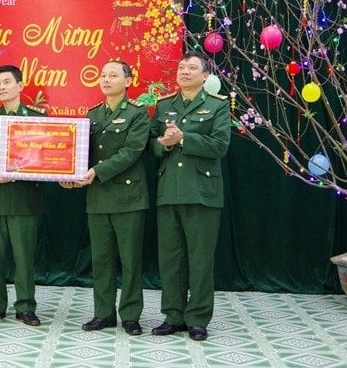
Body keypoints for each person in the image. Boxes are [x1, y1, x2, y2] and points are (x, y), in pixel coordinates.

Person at [61, 61, 150, 335]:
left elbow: (132, 151)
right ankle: (104, 313)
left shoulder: (138, 114)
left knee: (130, 260)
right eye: (103, 75)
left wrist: (95, 171)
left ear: (128, 81)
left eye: (113, 75)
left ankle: (131, 315)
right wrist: (68, 172)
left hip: (128, 197)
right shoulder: (93, 114)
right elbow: (81, 153)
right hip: (98, 198)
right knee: (101, 260)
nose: (106, 79)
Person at [150, 50, 230, 341]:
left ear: (205, 75)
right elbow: (153, 146)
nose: (184, 72)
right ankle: (173, 316)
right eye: (181, 67)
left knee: (200, 259)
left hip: (201, 192)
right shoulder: (164, 105)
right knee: (170, 259)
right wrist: (165, 143)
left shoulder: (217, 105)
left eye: (192, 68)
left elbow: (220, 145)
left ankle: (197, 318)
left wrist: (184, 138)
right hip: (169, 190)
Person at [0, 65, 46, 327]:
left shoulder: (38, 117)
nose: (2, 87)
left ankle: (26, 307)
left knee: (24, 257)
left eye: (7, 82)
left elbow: (47, 155)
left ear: (20, 85)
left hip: (26, 198)